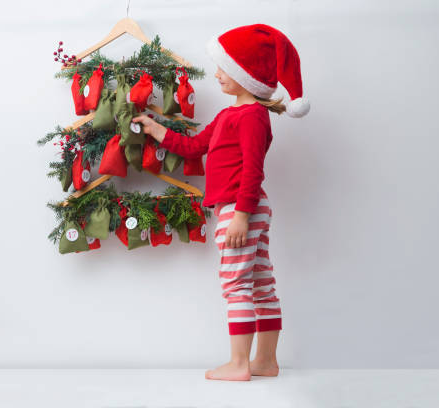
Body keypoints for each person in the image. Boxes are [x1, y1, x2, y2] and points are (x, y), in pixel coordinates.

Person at [132, 24, 310, 381]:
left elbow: (253, 170)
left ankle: (240, 364)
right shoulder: (230, 115)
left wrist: (241, 216)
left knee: (236, 284)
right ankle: (265, 362)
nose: (216, 74)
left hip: (240, 208)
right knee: (260, 283)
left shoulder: (253, 118)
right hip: (244, 208)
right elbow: (193, 147)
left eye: (224, 68)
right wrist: (157, 131)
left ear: (248, 75)